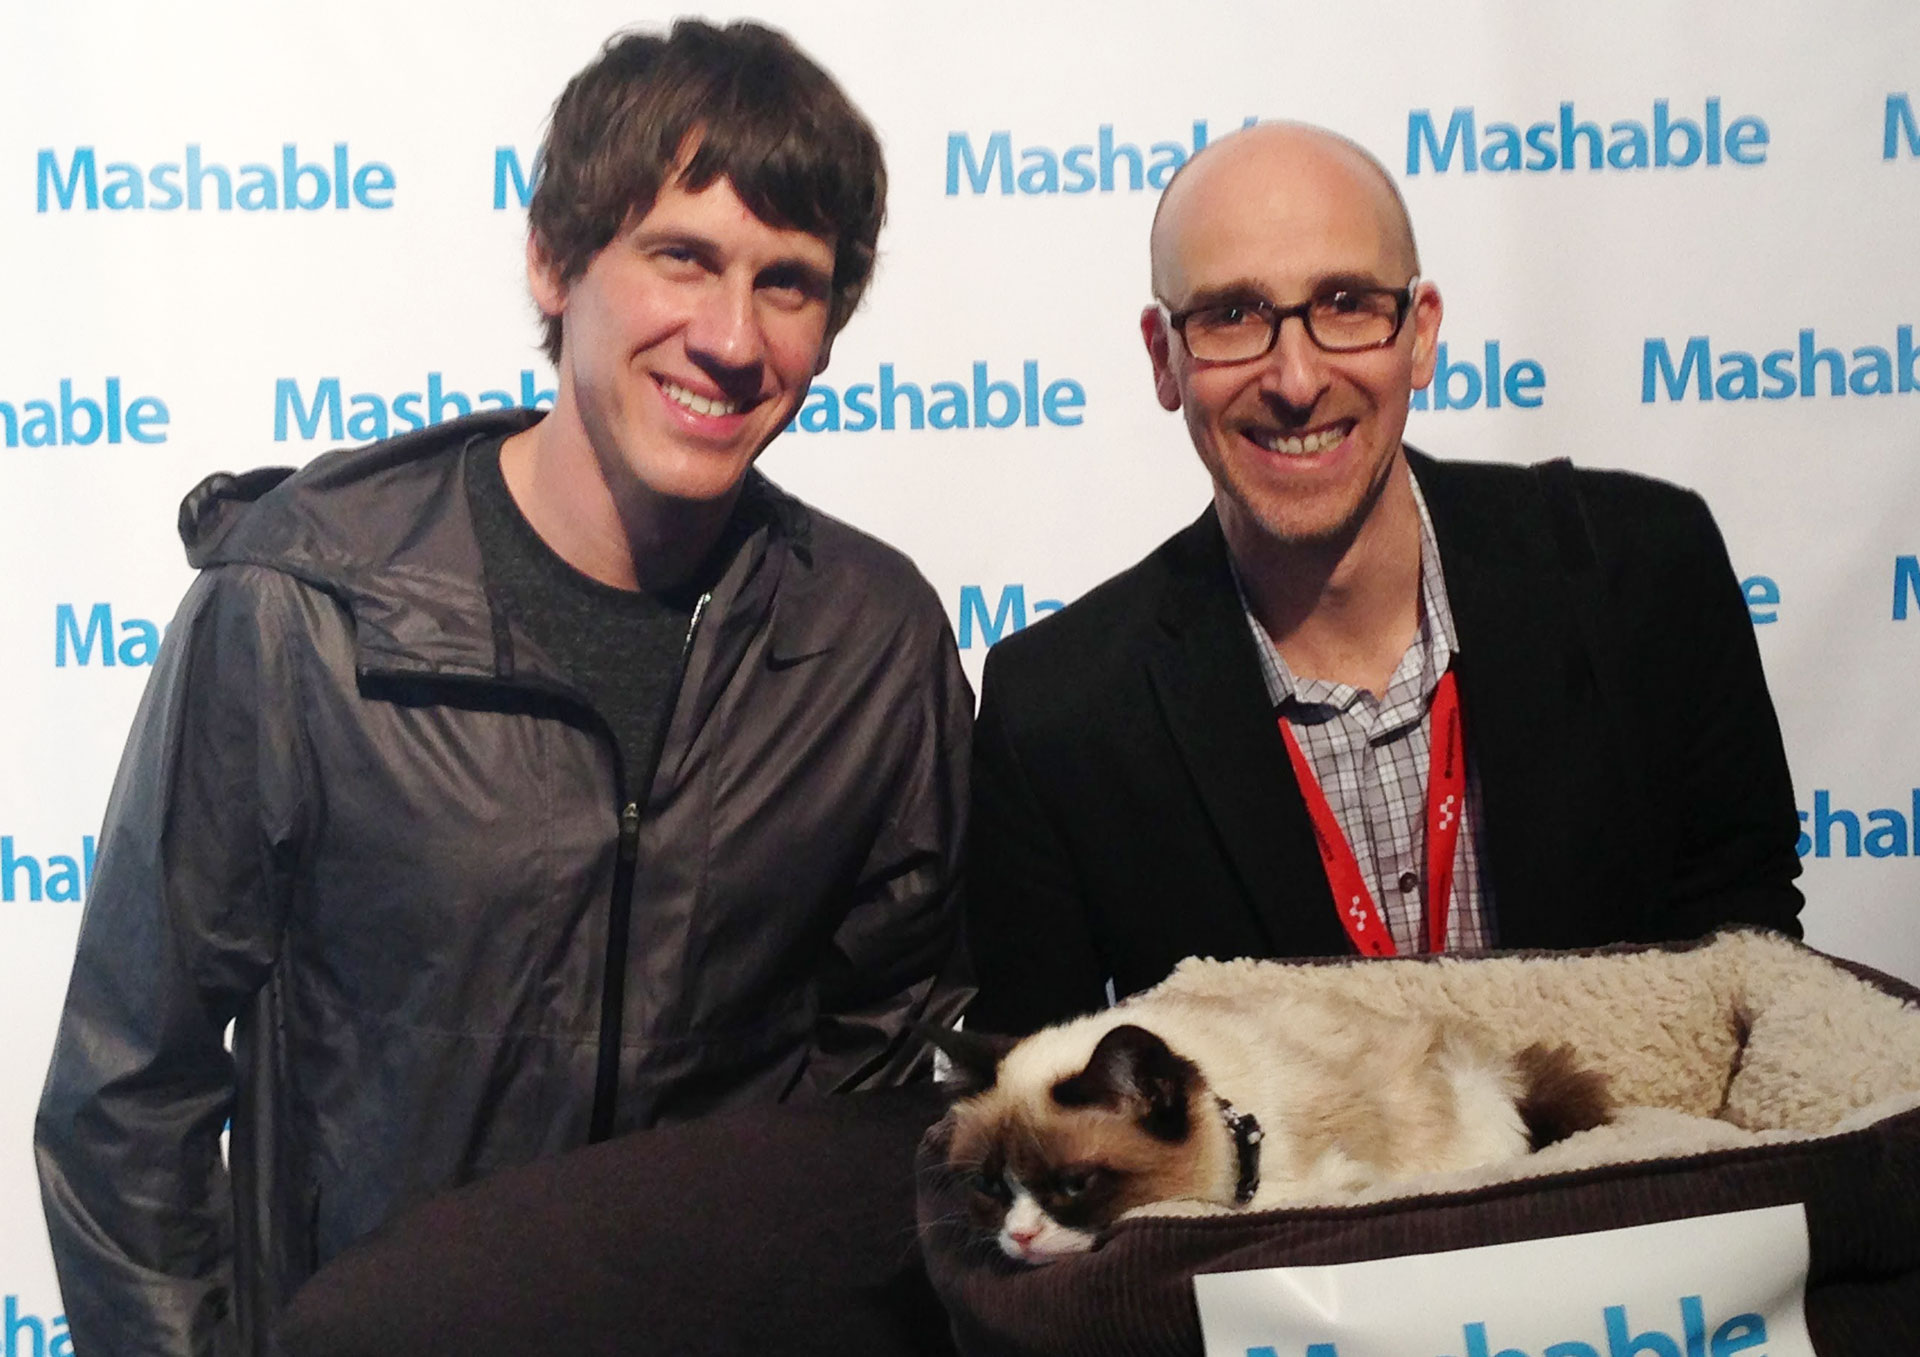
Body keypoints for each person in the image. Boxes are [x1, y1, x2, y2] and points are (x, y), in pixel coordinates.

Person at [35, 21, 971, 1356]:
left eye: (790, 284)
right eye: (682, 258)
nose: (728, 336)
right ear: (553, 259)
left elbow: (889, 1076)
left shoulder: (872, 642)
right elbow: (128, 1103)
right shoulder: (301, 608)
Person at [965, 121, 1804, 1038]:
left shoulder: (1643, 575)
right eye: (1232, 315)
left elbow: (1748, 974)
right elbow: (1048, 1126)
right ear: (1165, 358)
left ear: (1422, 334)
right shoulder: (1056, 717)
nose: (1295, 377)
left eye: (1346, 302)